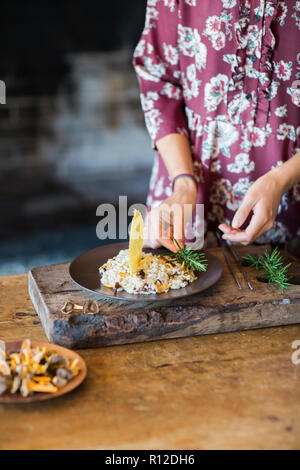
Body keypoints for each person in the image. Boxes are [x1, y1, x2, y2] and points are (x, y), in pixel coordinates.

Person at [133, 0, 300, 252]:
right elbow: (159, 85)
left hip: (292, 212)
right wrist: (183, 185)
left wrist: (280, 180)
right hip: (184, 200)